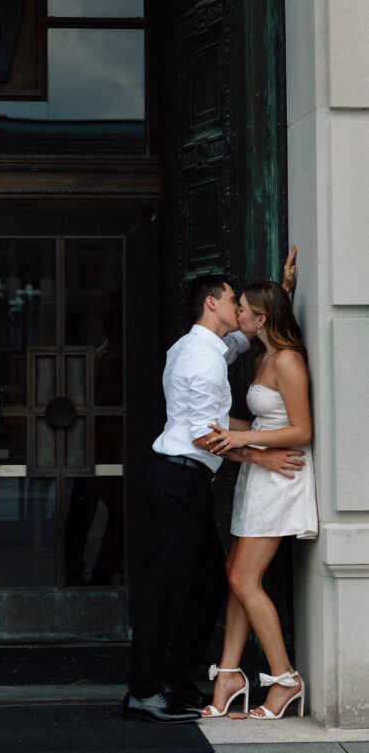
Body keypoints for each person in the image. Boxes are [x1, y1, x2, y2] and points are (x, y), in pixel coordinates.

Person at [123, 253, 305, 724]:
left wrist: (280, 296)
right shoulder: (200, 360)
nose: (239, 308)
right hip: (178, 478)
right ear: (212, 304)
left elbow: (252, 332)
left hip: (187, 481)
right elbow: (210, 435)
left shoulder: (210, 345)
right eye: (232, 300)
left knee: (207, 582)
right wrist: (261, 455)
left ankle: (176, 680)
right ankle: (145, 691)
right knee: (163, 589)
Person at [199, 273, 317, 721]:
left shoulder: (287, 360)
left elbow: (302, 430)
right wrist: (218, 427)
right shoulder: (265, 354)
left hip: (282, 478)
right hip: (258, 477)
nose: (237, 312)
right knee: (235, 575)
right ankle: (229, 674)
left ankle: (286, 679)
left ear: (261, 318)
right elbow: (265, 424)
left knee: (244, 580)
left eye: (244, 309)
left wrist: (235, 436)